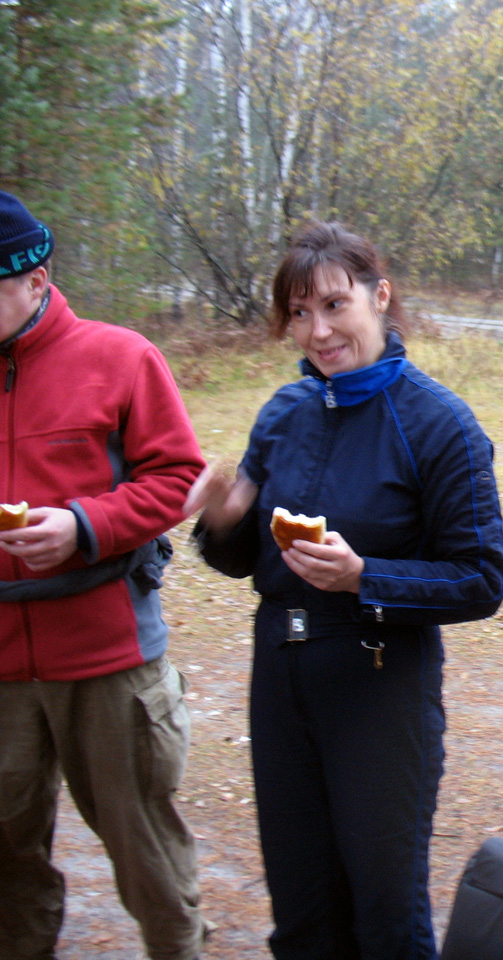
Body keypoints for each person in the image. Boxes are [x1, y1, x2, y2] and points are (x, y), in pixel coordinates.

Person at [188, 221, 503, 959]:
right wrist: (224, 522)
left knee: (385, 918)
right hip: (281, 680)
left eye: (335, 305)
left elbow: (482, 579)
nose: (318, 331)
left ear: (379, 296)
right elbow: (244, 561)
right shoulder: (284, 413)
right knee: (302, 916)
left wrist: (367, 578)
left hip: (379, 687)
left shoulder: (440, 424)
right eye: (300, 313)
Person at [0, 191, 207, 960]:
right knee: (6, 865)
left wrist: (82, 527)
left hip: (107, 658)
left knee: (147, 857)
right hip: (0, 668)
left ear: (36, 279)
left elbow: (179, 479)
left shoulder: (119, 358)